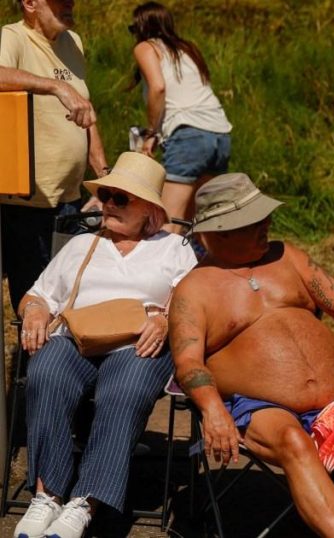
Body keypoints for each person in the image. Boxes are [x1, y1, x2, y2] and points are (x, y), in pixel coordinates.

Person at [169, 173, 334, 537]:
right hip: (257, 407)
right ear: (219, 233)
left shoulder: (289, 258)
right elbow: (188, 362)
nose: (267, 225)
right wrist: (212, 409)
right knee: (293, 441)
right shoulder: (194, 290)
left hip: (333, 400)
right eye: (254, 222)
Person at [13, 152, 197, 538]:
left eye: (120, 198)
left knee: (124, 391)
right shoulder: (82, 244)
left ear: (150, 210)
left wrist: (165, 319)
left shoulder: (173, 249)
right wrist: (33, 313)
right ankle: (47, 495)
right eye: (107, 196)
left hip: (140, 342)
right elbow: (38, 294)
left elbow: (196, 303)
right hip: (78, 335)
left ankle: (86, 501)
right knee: (45, 372)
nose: (108, 205)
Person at [1, 0, 109, 311]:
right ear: (30, 3)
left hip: (71, 198)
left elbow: (86, 113)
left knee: (70, 297)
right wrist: (55, 87)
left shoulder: (73, 41)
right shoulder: (12, 37)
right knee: (36, 302)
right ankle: (35, 360)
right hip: (28, 203)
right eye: (59, 1)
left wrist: (104, 180)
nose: (69, 5)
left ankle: (60, 358)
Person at [128, 1, 232, 232]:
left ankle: (165, 268)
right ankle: (205, 266)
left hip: (189, 137)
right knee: (203, 226)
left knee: (168, 225)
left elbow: (158, 88)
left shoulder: (146, 47)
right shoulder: (187, 49)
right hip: (220, 135)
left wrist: (152, 132)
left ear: (140, 26)